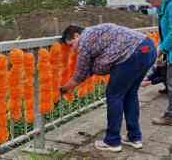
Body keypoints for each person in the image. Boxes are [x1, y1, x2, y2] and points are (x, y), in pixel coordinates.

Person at [59, 23, 157, 152]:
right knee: (130, 94)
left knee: (114, 96)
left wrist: (63, 89)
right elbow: (101, 64)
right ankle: (134, 137)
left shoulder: (85, 41)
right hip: (148, 48)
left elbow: (80, 74)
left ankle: (112, 141)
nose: (73, 49)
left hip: (131, 54)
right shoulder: (98, 30)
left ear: (77, 35)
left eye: (71, 45)